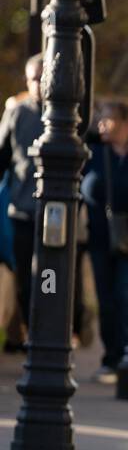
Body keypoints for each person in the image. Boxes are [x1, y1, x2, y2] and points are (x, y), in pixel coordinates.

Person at [82, 98, 128, 383]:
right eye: (100, 117)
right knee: (106, 300)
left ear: (127, 124)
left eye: (108, 118)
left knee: (126, 297)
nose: (101, 123)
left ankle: (127, 357)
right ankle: (111, 358)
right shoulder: (95, 150)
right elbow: (77, 130)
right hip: (99, 237)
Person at [0, 54, 45, 334]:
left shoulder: (71, 112)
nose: (39, 84)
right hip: (22, 210)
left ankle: (50, 330)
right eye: (34, 79)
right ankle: (33, 332)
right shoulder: (18, 113)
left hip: (57, 214)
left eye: (43, 77)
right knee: (27, 280)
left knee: (50, 277)